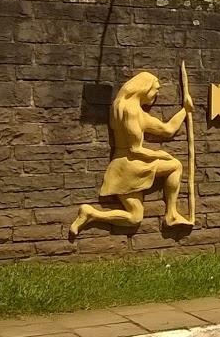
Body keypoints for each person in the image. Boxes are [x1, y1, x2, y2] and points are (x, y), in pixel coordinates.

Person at [70, 72, 192, 235]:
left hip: (121, 167)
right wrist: (161, 154)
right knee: (175, 165)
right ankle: (171, 214)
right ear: (144, 88)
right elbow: (135, 149)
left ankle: (92, 214)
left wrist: (185, 110)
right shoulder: (132, 111)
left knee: (135, 217)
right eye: (155, 90)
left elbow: (167, 129)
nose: (156, 95)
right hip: (131, 165)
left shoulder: (121, 107)